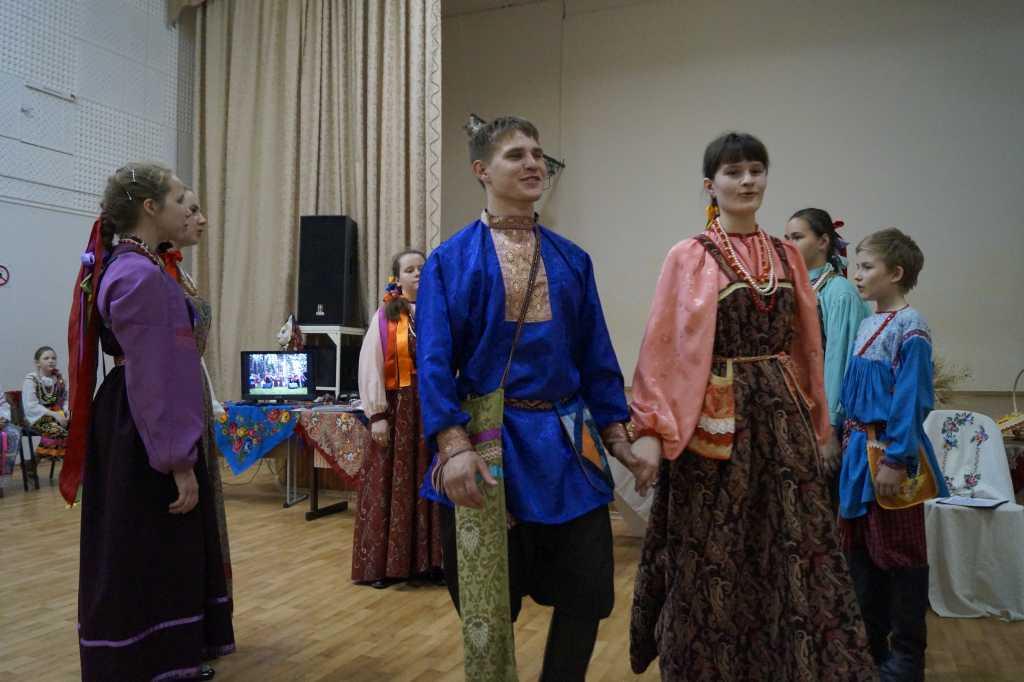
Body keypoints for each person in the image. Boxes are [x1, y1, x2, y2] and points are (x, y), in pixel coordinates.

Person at [416, 116, 658, 681]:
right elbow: (433, 362)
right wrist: (453, 447)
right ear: (481, 170)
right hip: (486, 448)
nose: (533, 164)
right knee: (487, 600)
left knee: (589, 589)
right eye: (516, 155)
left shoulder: (573, 260)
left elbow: (597, 356)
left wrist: (619, 438)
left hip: (568, 446)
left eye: (538, 154)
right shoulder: (450, 262)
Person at [628, 132, 875, 681]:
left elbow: (808, 347)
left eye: (756, 170)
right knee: (713, 549)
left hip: (781, 422)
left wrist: (819, 423)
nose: (747, 181)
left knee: (790, 546)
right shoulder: (688, 255)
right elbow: (662, 345)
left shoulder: (787, 255)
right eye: (734, 172)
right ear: (710, 184)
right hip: (712, 425)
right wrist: (649, 426)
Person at [61, 163, 234, 681]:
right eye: (180, 200)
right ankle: (151, 659)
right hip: (144, 424)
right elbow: (158, 376)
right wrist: (178, 460)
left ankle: (148, 655)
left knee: (137, 542)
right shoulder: (140, 275)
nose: (189, 210)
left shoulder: (134, 266)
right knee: (153, 544)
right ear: (150, 207)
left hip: (131, 418)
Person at [839, 228, 947, 682]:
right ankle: (870, 649)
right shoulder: (869, 324)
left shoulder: (911, 325)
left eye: (867, 267)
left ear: (896, 273)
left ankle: (905, 659)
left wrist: (897, 459)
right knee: (861, 554)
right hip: (856, 454)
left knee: (901, 555)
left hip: (887, 455)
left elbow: (911, 397)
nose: (857, 274)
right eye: (857, 266)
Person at [158, 189, 234, 600]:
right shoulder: (148, 273)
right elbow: (158, 363)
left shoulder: (177, 272)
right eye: (192, 209)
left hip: (192, 394)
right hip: (170, 402)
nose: (202, 219)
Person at [353, 249, 444, 588]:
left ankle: (432, 563)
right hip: (399, 411)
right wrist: (377, 414)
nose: (417, 273)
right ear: (397, 278)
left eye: (422, 268)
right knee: (393, 483)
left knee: (432, 479)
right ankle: (387, 566)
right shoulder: (386, 317)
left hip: (432, 411)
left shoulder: (441, 313)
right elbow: (371, 364)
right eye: (410, 269)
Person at [785, 208, 870, 500]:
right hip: (796, 413)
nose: (789, 244)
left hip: (824, 421)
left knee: (824, 504)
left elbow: (839, 361)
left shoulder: (838, 292)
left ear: (822, 242)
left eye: (797, 237)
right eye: (786, 238)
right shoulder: (794, 288)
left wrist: (829, 428)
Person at [23, 346, 68, 458]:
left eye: (53, 358)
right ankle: (37, 459)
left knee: (78, 428)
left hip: (58, 414)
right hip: (37, 417)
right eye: (46, 358)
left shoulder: (59, 379)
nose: (51, 361)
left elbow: (65, 399)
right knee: (58, 431)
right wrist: (54, 414)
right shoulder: (31, 379)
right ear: (37, 363)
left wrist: (67, 413)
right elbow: (31, 406)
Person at [1, 392, 24, 493]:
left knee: (14, 434)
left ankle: (2, 479)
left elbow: (3, 405)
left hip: (2, 423)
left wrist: (3, 419)